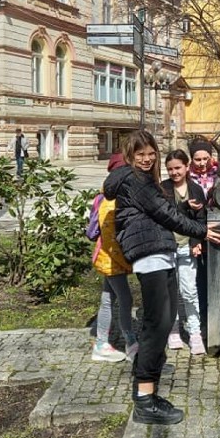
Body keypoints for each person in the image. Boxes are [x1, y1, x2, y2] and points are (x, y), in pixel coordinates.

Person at [103, 130, 220, 425]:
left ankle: (151, 368)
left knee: (166, 316)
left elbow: (163, 211)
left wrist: (186, 209)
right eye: (139, 154)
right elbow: (162, 214)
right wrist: (202, 231)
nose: (147, 159)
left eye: (150, 153)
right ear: (130, 156)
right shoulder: (135, 179)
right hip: (149, 253)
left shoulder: (142, 181)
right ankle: (145, 398)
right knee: (157, 323)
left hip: (158, 250)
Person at [90, 153, 137, 363]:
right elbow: (111, 239)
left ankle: (101, 342)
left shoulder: (105, 196)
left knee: (107, 299)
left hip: (105, 257)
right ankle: (130, 341)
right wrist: (126, 262)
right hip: (111, 258)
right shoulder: (111, 201)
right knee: (125, 299)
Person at [161, 150, 208, 355]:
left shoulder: (195, 189)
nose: (174, 172)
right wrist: (182, 206)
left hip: (186, 246)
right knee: (170, 293)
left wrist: (197, 241)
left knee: (189, 290)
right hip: (166, 246)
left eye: (178, 168)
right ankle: (173, 330)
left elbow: (200, 219)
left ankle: (195, 332)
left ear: (187, 167)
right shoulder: (162, 189)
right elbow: (164, 216)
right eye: (170, 169)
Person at [187, 138, 218, 325]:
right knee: (199, 276)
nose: (202, 163)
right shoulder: (186, 177)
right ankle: (204, 314)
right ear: (191, 160)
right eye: (197, 159)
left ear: (211, 157)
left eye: (205, 158)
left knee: (215, 272)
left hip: (216, 229)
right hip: (195, 231)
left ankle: (215, 311)